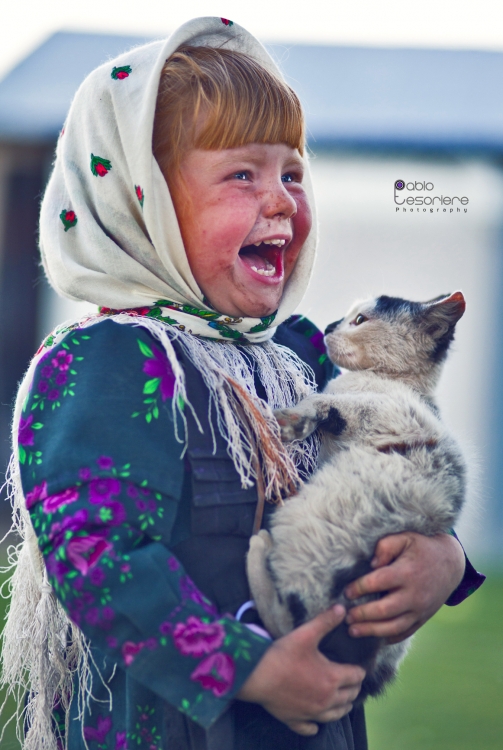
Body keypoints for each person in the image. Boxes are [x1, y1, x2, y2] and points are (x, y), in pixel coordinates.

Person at [2, 16, 484, 750]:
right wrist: (247, 668)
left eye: (292, 171)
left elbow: (391, 452)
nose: (284, 199)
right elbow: (98, 558)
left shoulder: (296, 352)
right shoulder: (108, 364)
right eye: (242, 175)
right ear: (143, 204)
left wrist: (441, 556)